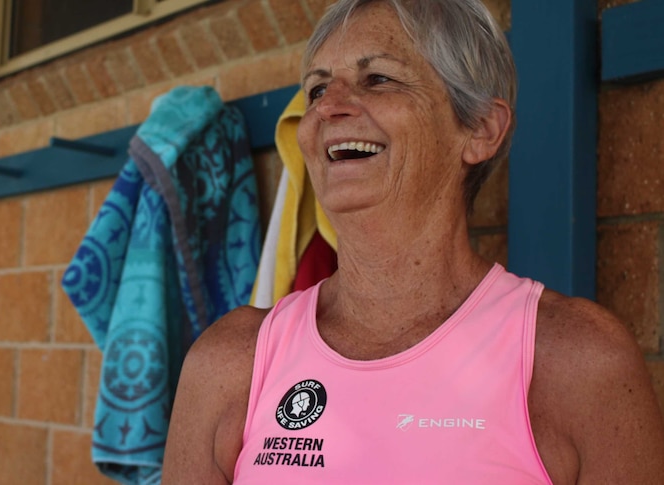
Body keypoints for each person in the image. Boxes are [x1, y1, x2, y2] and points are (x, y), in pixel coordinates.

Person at [161, 0, 664, 483]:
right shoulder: (231, 362)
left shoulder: (578, 361)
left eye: (377, 78)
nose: (328, 109)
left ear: (481, 130)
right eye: (316, 90)